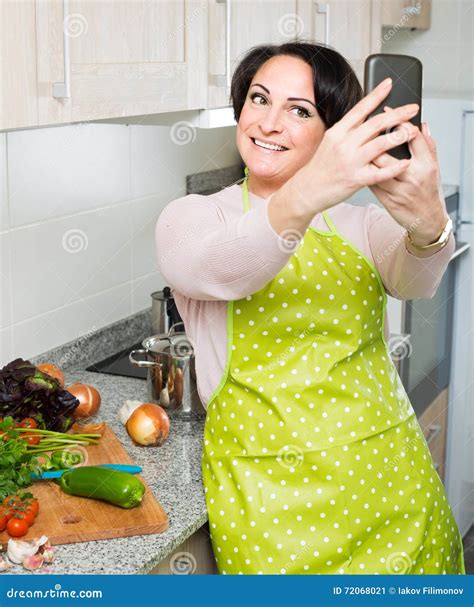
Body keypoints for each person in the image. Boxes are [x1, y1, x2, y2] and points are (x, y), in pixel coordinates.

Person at [156, 42, 465, 575]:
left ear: (333, 132)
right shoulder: (194, 218)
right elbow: (228, 266)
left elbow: (417, 280)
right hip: (271, 508)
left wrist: (429, 221)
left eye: (300, 111)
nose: (269, 123)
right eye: (259, 99)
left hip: (392, 490)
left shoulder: (361, 225)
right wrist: (313, 188)